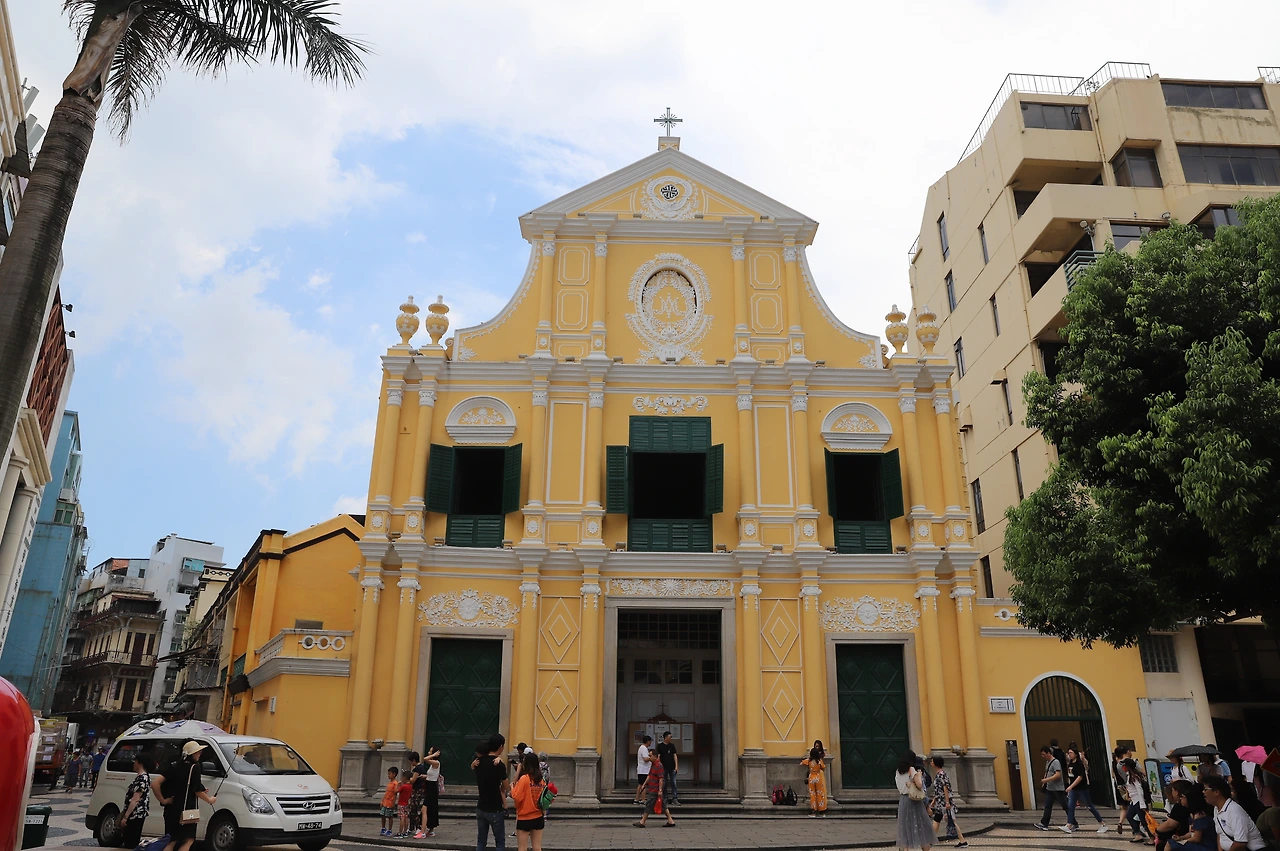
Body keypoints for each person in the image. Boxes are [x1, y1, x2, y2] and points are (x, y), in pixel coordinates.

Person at [152, 740, 216, 851]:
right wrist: (210, 800)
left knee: (171, 840)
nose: (200, 754)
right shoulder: (194, 767)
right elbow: (197, 791)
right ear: (192, 754)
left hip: (171, 809)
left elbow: (155, 784)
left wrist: (163, 800)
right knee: (188, 840)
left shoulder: (174, 766)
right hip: (187, 810)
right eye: (198, 752)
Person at [1203, 775, 1266, 851]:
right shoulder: (1216, 808)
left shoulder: (1234, 810)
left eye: (1205, 789)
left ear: (1216, 792)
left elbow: (1240, 843)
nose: (1203, 792)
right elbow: (1221, 833)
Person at [473, 733, 510, 851]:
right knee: (499, 842)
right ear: (501, 746)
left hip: (481, 806)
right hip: (495, 808)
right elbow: (506, 786)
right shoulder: (499, 764)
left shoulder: (478, 762)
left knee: (481, 841)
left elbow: (473, 768)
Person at [1063, 747, 1108, 834]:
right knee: (1070, 807)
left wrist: (1070, 786)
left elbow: (1080, 777)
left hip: (1082, 789)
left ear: (1076, 754)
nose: (1069, 754)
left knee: (1090, 806)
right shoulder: (1070, 764)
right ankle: (1069, 825)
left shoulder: (1079, 764)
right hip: (1074, 790)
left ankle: (1102, 824)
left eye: (1071, 753)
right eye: (1068, 753)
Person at [895, 750, 933, 851]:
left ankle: (905, 849)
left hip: (903, 800)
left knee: (905, 828)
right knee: (921, 825)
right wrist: (919, 775)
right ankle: (925, 847)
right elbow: (919, 785)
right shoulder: (911, 769)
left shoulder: (898, 771)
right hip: (913, 799)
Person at [509, 751, 546, 851]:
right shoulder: (541, 780)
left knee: (522, 848)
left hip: (524, 817)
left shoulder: (524, 779)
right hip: (538, 816)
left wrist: (512, 787)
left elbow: (516, 796)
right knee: (537, 847)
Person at [117, 752, 154, 850]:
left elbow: (135, 799)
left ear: (140, 763)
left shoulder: (142, 778)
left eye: (135, 761)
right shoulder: (142, 777)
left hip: (135, 815)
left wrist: (125, 817)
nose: (134, 763)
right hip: (136, 814)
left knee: (131, 841)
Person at [928, 756, 967, 847]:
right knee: (940, 820)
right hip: (941, 802)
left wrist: (947, 802)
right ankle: (962, 841)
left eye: (932, 761)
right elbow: (939, 790)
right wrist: (935, 800)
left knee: (942, 820)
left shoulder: (941, 774)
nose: (931, 763)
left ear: (936, 763)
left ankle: (931, 841)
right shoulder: (939, 774)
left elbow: (945, 788)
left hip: (943, 803)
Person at [1166, 781, 1216, 851]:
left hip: (1205, 846)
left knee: (1170, 844)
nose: (1180, 799)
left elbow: (1197, 838)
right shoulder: (1192, 814)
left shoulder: (1199, 816)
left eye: (1183, 797)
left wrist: (1183, 841)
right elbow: (1191, 833)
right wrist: (1181, 838)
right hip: (1197, 843)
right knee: (1171, 842)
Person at [634, 748, 675, 828]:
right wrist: (644, 784)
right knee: (663, 805)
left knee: (649, 804)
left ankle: (642, 821)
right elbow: (649, 775)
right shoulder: (653, 765)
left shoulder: (659, 765)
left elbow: (661, 779)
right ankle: (670, 820)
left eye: (650, 756)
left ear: (655, 756)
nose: (649, 757)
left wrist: (660, 790)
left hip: (655, 789)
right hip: (652, 788)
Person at [1121, 758, 1155, 845]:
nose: (1123, 767)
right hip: (1134, 801)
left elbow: (1139, 790)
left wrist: (1142, 804)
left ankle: (1152, 838)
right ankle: (1138, 834)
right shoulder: (1129, 775)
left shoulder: (1134, 776)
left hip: (1139, 801)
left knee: (1144, 821)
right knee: (1129, 816)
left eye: (1124, 765)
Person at [1034, 745, 1068, 832]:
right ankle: (1044, 823)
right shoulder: (1048, 762)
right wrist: (1045, 781)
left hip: (1058, 789)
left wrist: (1046, 780)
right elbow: (1047, 771)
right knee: (1048, 806)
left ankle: (1073, 822)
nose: (1043, 756)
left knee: (1065, 806)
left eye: (1044, 754)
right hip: (1050, 788)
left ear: (1049, 753)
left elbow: (1058, 775)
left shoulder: (1056, 762)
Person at [414, 747, 441, 839]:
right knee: (431, 809)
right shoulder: (433, 763)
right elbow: (433, 774)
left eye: (430, 750)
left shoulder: (436, 762)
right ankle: (430, 830)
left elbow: (425, 759)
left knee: (424, 809)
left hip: (432, 789)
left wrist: (433, 755)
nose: (429, 752)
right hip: (430, 787)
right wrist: (426, 776)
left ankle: (422, 832)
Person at [800, 741, 828, 818]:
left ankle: (813, 811)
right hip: (818, 777)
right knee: (820, 794)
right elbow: (823, 767)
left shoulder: (809, 761)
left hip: (811, 778)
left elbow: (801, 763)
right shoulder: (819, 761)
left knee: (813, 795)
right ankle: (822, 811)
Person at [655, 732, 680, 807]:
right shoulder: (660, 746)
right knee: (664, 783)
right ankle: (665, 798)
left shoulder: (672, 746)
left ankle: (675, 798)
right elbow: (658, 757)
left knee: (673, 783)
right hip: (663, 767)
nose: (670, 738)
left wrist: (676, 766)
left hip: (672, 767)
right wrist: (658, 766)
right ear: (665, 738)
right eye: (669, 737)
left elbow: (675, 755)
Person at [379, 766, 399, 836]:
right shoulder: (390, 783)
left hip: (390, 802)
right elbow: (386, 793)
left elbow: (395, 793)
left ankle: (389, 829)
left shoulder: (395, 783)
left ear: (394, 774)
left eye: (389, 774)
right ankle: (383, 828)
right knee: (383, 815)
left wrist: (393, 802)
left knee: (390, 816)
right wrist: (382, 801)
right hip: (385, 802)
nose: (388, 775)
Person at [633, 735, 652, 805]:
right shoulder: (643, 748)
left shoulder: (642, 748)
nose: (651, 743)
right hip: (644, 770)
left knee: (640, 784)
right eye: (650, 741)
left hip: (642, 770)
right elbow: (645, 759)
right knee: (644, 785)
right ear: (648, 741)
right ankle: (643, 799)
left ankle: (637, 798)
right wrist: (651, 757)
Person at [395, 766, 413, 838]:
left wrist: (398, 785)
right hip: (406, 803)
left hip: (401, 803)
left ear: (404, 778)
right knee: (406, 817)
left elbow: (396, 791)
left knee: (401, 818)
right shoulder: (410, 786)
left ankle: (400, 832)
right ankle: (405, 832)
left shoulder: (403, 786)